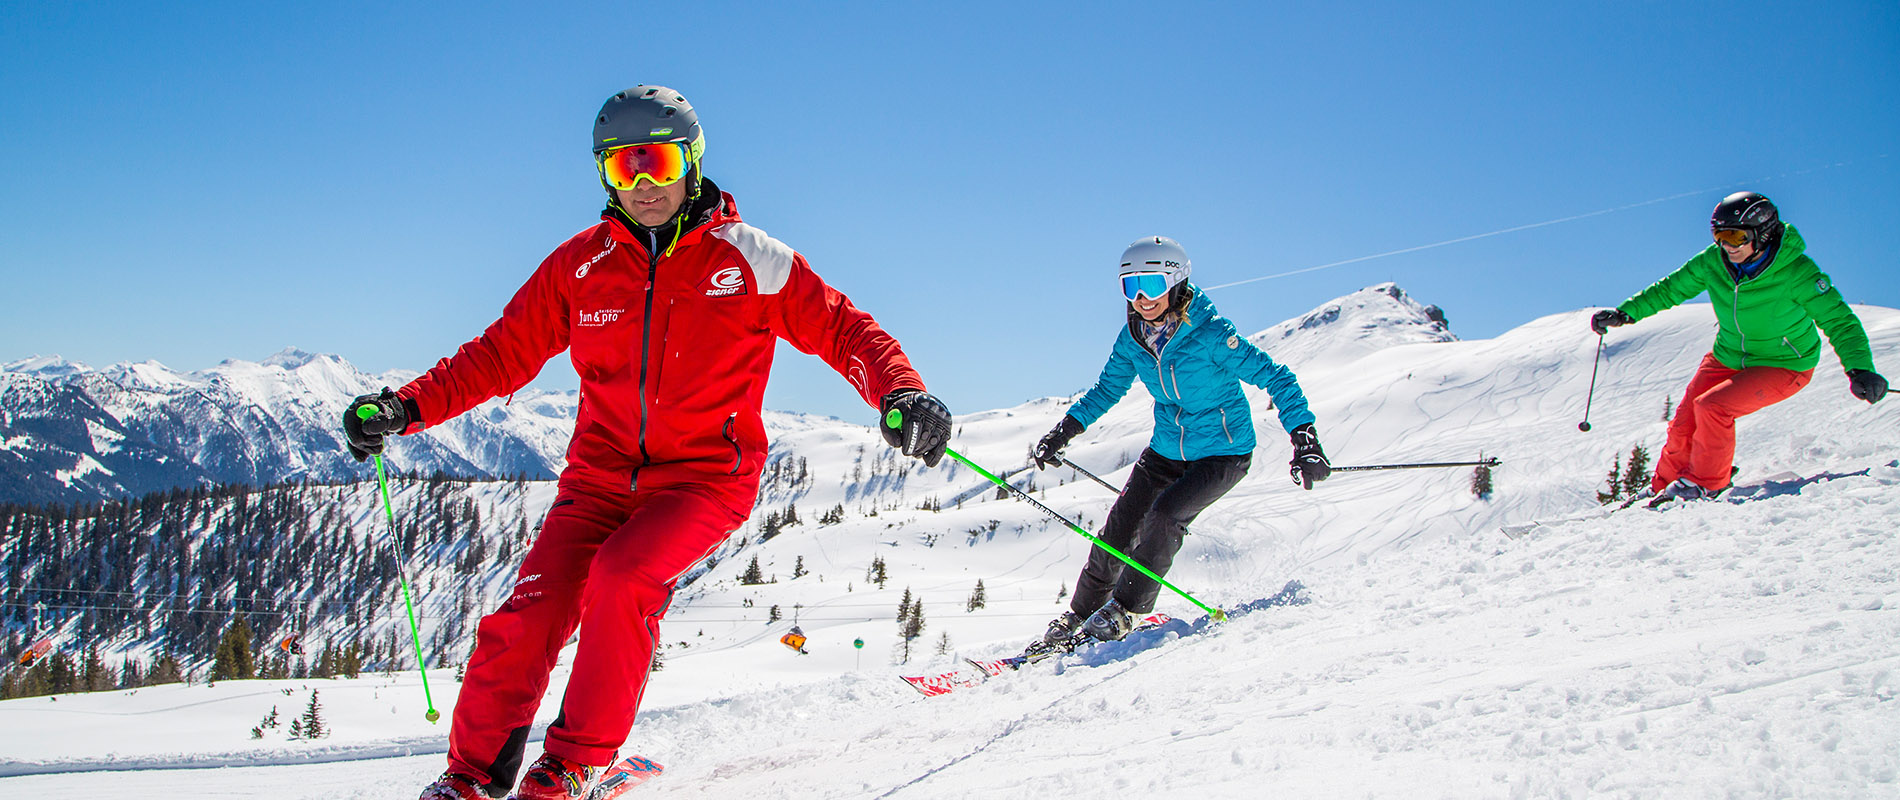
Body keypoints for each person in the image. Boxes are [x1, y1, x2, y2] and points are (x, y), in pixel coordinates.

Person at [342, 86, 953, 800]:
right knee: (530, 610)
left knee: (622, 577)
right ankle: (468, 777)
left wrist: (899, 391)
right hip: (596, 483)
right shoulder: (579, 265)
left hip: (703, 481)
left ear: (690, 162)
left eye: (656, 163)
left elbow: (846, 329)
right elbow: (497, 355)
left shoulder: (752, 259)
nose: (643, 186)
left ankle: (577, 760)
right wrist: (404, 407)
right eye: (621, 169)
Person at [1029, 236, 1328, 643]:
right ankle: (1081, 613)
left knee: (1165, 516)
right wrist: (1066, 429)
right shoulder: (1132, 339)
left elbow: (1278, 378)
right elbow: (1106, 389)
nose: (1141, 298)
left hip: (1223, 454)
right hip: (1167, 450)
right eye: (1130, 286)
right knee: (1118, 531)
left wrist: (1305, 438)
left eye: (1150, 285)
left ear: (1176, 282)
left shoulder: (1212, 336)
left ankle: (1124, 610)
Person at [1591, 191, 1886, 504]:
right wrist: (1626, 312)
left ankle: (1706, 484)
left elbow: (1840, 320)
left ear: (1763, 234)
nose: (1726, 245)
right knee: (1683, 423)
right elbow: (1671, 289)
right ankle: (1665, 485)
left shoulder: (1797, 272)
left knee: (1714, 407)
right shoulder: (1713, 262)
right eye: (1719, 235)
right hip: (1728, 355)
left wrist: (1860, 368)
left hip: (1784, 363)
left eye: (1735, 236)